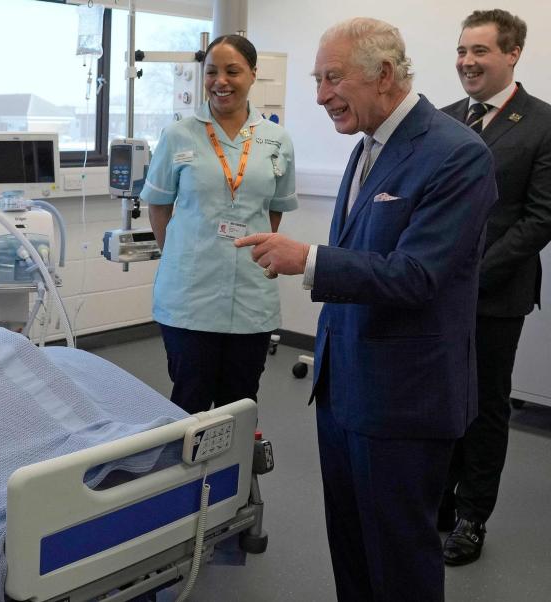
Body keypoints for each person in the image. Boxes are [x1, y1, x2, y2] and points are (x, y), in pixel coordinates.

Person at [235, 18, 497, 601]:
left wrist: (307, 259)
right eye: (317, 79)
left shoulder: (457, 155)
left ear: (383, 76)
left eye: (333, 78)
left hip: (404, 400)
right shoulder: (367, 150)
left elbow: (418, 274)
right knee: (351, 550)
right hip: (344, 387)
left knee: (399, 561)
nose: (321, 94)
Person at [437, 9, 551, 566]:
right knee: (441, 397)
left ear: (512, 55)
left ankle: (471, 516)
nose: (466, 62)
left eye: (479, 51)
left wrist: (469, 276)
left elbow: (539, 219)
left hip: (495, 295)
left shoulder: (543, 123)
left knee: (484, 406)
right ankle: (437, 498)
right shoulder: (444, 118)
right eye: (462, 50)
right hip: (433, 291)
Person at [140, 34, 298, 414]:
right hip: (189, 296)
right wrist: (180, 255)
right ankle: (190, 477)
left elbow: (273, 212)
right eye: (211, 72)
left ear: (252, 75)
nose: (220, 81)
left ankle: (237, 476)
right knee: (190, 402)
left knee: (240, 404)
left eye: (232, 71)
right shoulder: (179, 134)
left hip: (250, 298)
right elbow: (159, 207)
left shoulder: (275, 140)